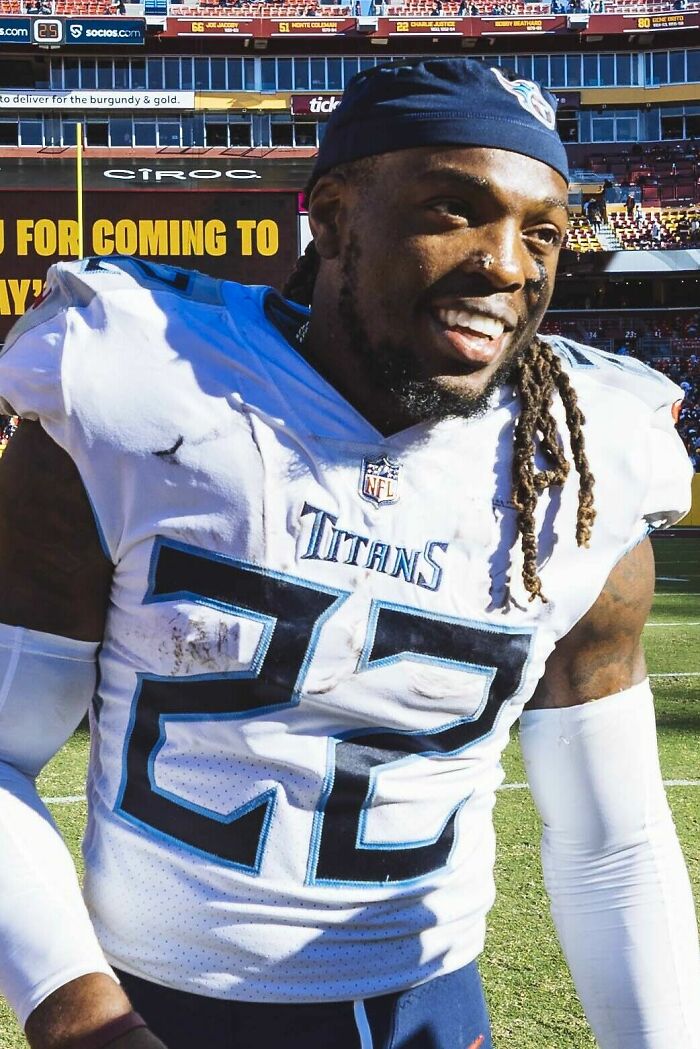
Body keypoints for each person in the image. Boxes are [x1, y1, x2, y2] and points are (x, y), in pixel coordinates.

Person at [0, 59, 698, 1049]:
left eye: (542, 231)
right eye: (454, 209)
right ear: (330, 217)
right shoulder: (138, 395)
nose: (508, 265)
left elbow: (611, 839)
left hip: (424, 1010)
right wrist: (86, 1021)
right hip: (153, 1003)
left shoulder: (582, 467)